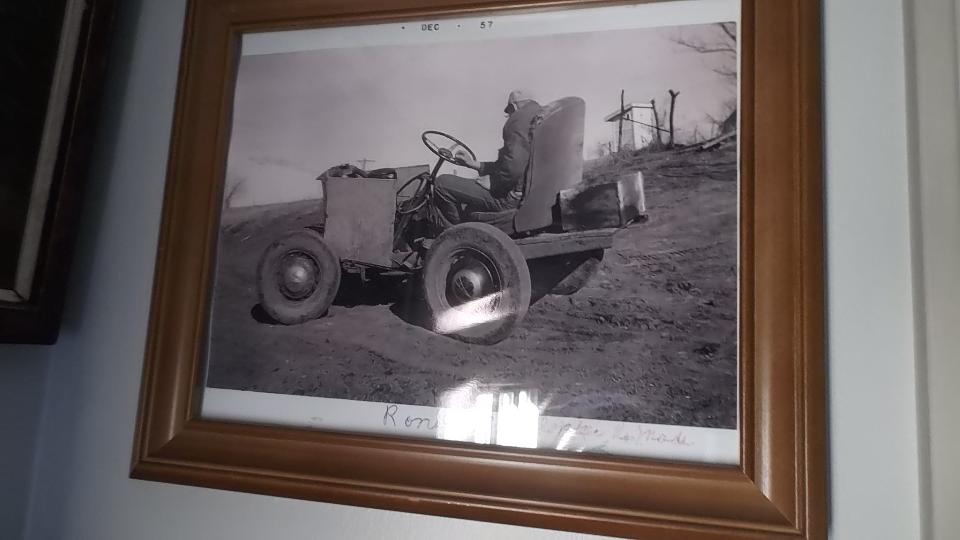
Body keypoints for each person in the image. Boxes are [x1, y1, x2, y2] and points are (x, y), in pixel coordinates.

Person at [434, 90, 542, 227]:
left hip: (511, 198)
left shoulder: (517, 120)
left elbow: (514, 168)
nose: (508, 116)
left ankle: (458, 233)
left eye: (508, 112)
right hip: (527, 193)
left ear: (513, 107)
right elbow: (513, 163)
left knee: (441, 183)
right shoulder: (538, 116)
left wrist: (494, 182)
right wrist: (474, 164)